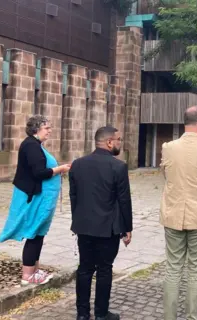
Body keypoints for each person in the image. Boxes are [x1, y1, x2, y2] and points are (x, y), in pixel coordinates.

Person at [160, 106, 197, 320]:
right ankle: (192, 317)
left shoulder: (168, 147)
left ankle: (169, 317)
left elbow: (166, 175)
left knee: (173, 268)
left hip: (173, 214)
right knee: (196, 269)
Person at [0, 115, 71, 285]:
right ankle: (28, 275)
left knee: (38, 234)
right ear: (36, 128)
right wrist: (59, 169)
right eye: (47, 128)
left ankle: (35, 271)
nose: (50, 131)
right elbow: (39, 173)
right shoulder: (31, 146)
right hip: (35, 197)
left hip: (41, 197)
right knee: (34, 234)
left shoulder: (35, 145)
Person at [69, 126, 132, 320]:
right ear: (109, 142)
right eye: (119, 140)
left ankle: (82, 314)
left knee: (85, 268)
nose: (120, 143)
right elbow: (124, 200)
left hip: (84, 226)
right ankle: (101, 314)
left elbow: (74, 196)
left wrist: (78, 219)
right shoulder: (118, 166)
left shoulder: (77, 164)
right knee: (104, 270)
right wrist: (127, 228)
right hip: (108, 228)